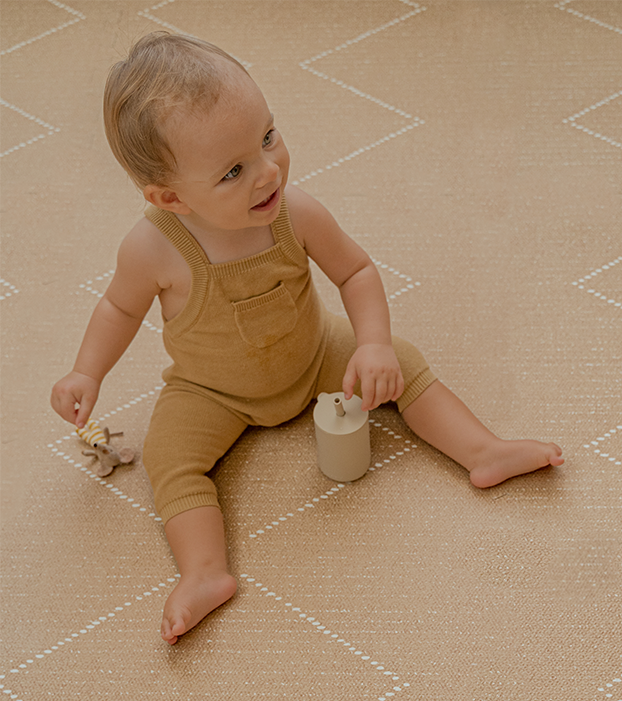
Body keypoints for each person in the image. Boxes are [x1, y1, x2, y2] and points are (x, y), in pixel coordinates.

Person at [51, 32, 564, 645]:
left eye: (267, 137)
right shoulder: (152, 248)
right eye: (234, 171)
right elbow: (117, 310)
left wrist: (372, 344)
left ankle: (482, 450)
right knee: (167, 459)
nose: (268, 171)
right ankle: (205, 571)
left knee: (405, 362)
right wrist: (87, 373)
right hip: (211, 390)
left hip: (316, 354)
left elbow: (355, 271)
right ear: (170, 197)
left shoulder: (297, 212)